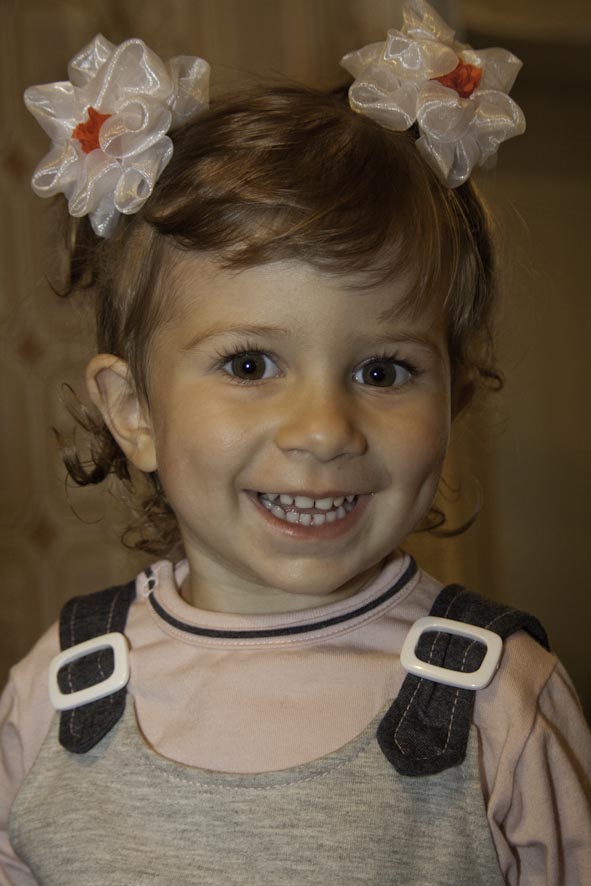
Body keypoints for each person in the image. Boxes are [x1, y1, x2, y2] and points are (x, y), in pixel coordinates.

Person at [1, 2, 590, 883]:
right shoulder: (53, 691)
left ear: (452, 402)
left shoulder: (502, 700)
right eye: (249, 364)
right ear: (133, 413)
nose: (322, 430)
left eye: (383, 371)